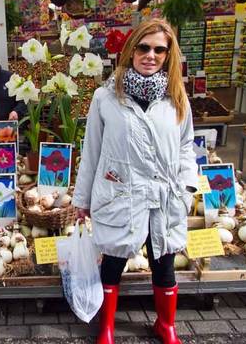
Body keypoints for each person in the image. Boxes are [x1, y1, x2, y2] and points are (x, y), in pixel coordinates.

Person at [72, 19, 198, 344]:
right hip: (120, 195)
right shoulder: (106, 97)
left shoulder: (176, 99)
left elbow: (187, 147)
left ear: (169, 55)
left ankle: (166, 325)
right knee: (113, 262)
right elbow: (92, 151)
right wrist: (82, 201)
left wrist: (186, 188)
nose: (151, 55)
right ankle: (107, 327)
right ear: (131, 51)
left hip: (164, 197)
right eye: (144, 47)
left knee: (164, 264)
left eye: (159, 49)